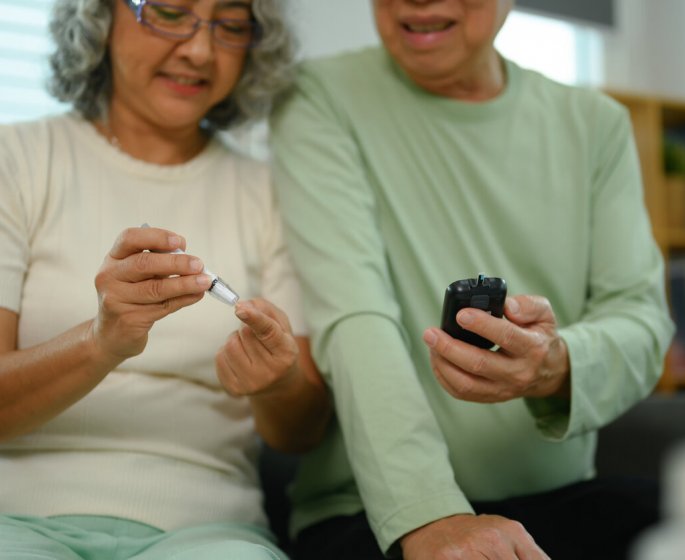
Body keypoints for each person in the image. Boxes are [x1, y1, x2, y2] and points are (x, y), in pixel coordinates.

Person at [270, 0, 676, 559]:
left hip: (561, 501)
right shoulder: (319, 95)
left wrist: (556, 363)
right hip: (374, 513)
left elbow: (642, 319)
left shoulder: (596, 124)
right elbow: (354, 315)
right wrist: (430, 515)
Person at [0, 0, 330, 559]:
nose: (200, 50)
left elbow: (299, 434)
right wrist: (101, 343)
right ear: (98, 18)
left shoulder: (273, 195)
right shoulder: (18, 160)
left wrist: (276, 381)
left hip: (212, 534)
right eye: (170, 13)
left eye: (230, 26)